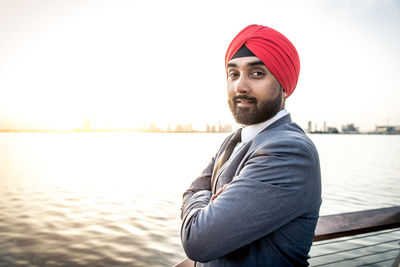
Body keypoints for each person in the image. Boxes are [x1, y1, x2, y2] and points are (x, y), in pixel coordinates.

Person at [180, 24, 322, 266]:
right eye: (233, 74)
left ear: (284, 86)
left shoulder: (288, 151)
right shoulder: (236, 139)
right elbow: (196, 193)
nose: (240, 86)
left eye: (257, 73)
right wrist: (210, 201)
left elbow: (198, 239)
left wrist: (201, 198)